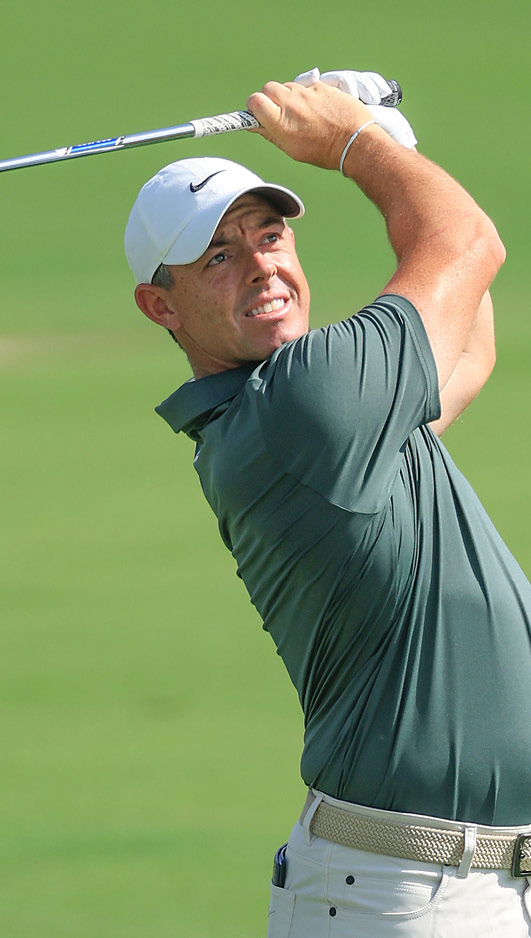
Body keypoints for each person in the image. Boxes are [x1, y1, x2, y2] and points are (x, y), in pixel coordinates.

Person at [126, 70, 520, 934]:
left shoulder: (315, 412)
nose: (262, 266)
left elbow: (469, 342)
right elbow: (469, 244)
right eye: (217, 257)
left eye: (269, 237)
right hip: (407, 895)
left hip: (455, 886)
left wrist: (390, 139)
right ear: (162, 305)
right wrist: (353, 143)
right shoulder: (302, 406)